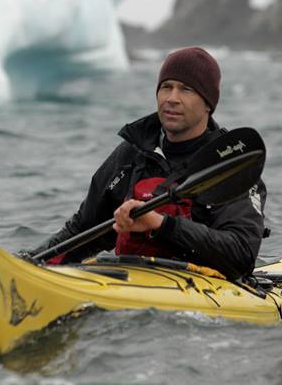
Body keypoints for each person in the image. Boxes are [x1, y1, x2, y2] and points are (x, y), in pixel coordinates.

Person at [32, 46, 266, 279]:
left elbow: (241, 255)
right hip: (128, 281)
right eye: (166, 87)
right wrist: (32, 263)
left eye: (186, 89)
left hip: (201, 286)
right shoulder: (131, 154)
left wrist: (162, 225)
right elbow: (82, 230)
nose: (172, 98)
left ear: (208, 104)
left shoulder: (229, 164)